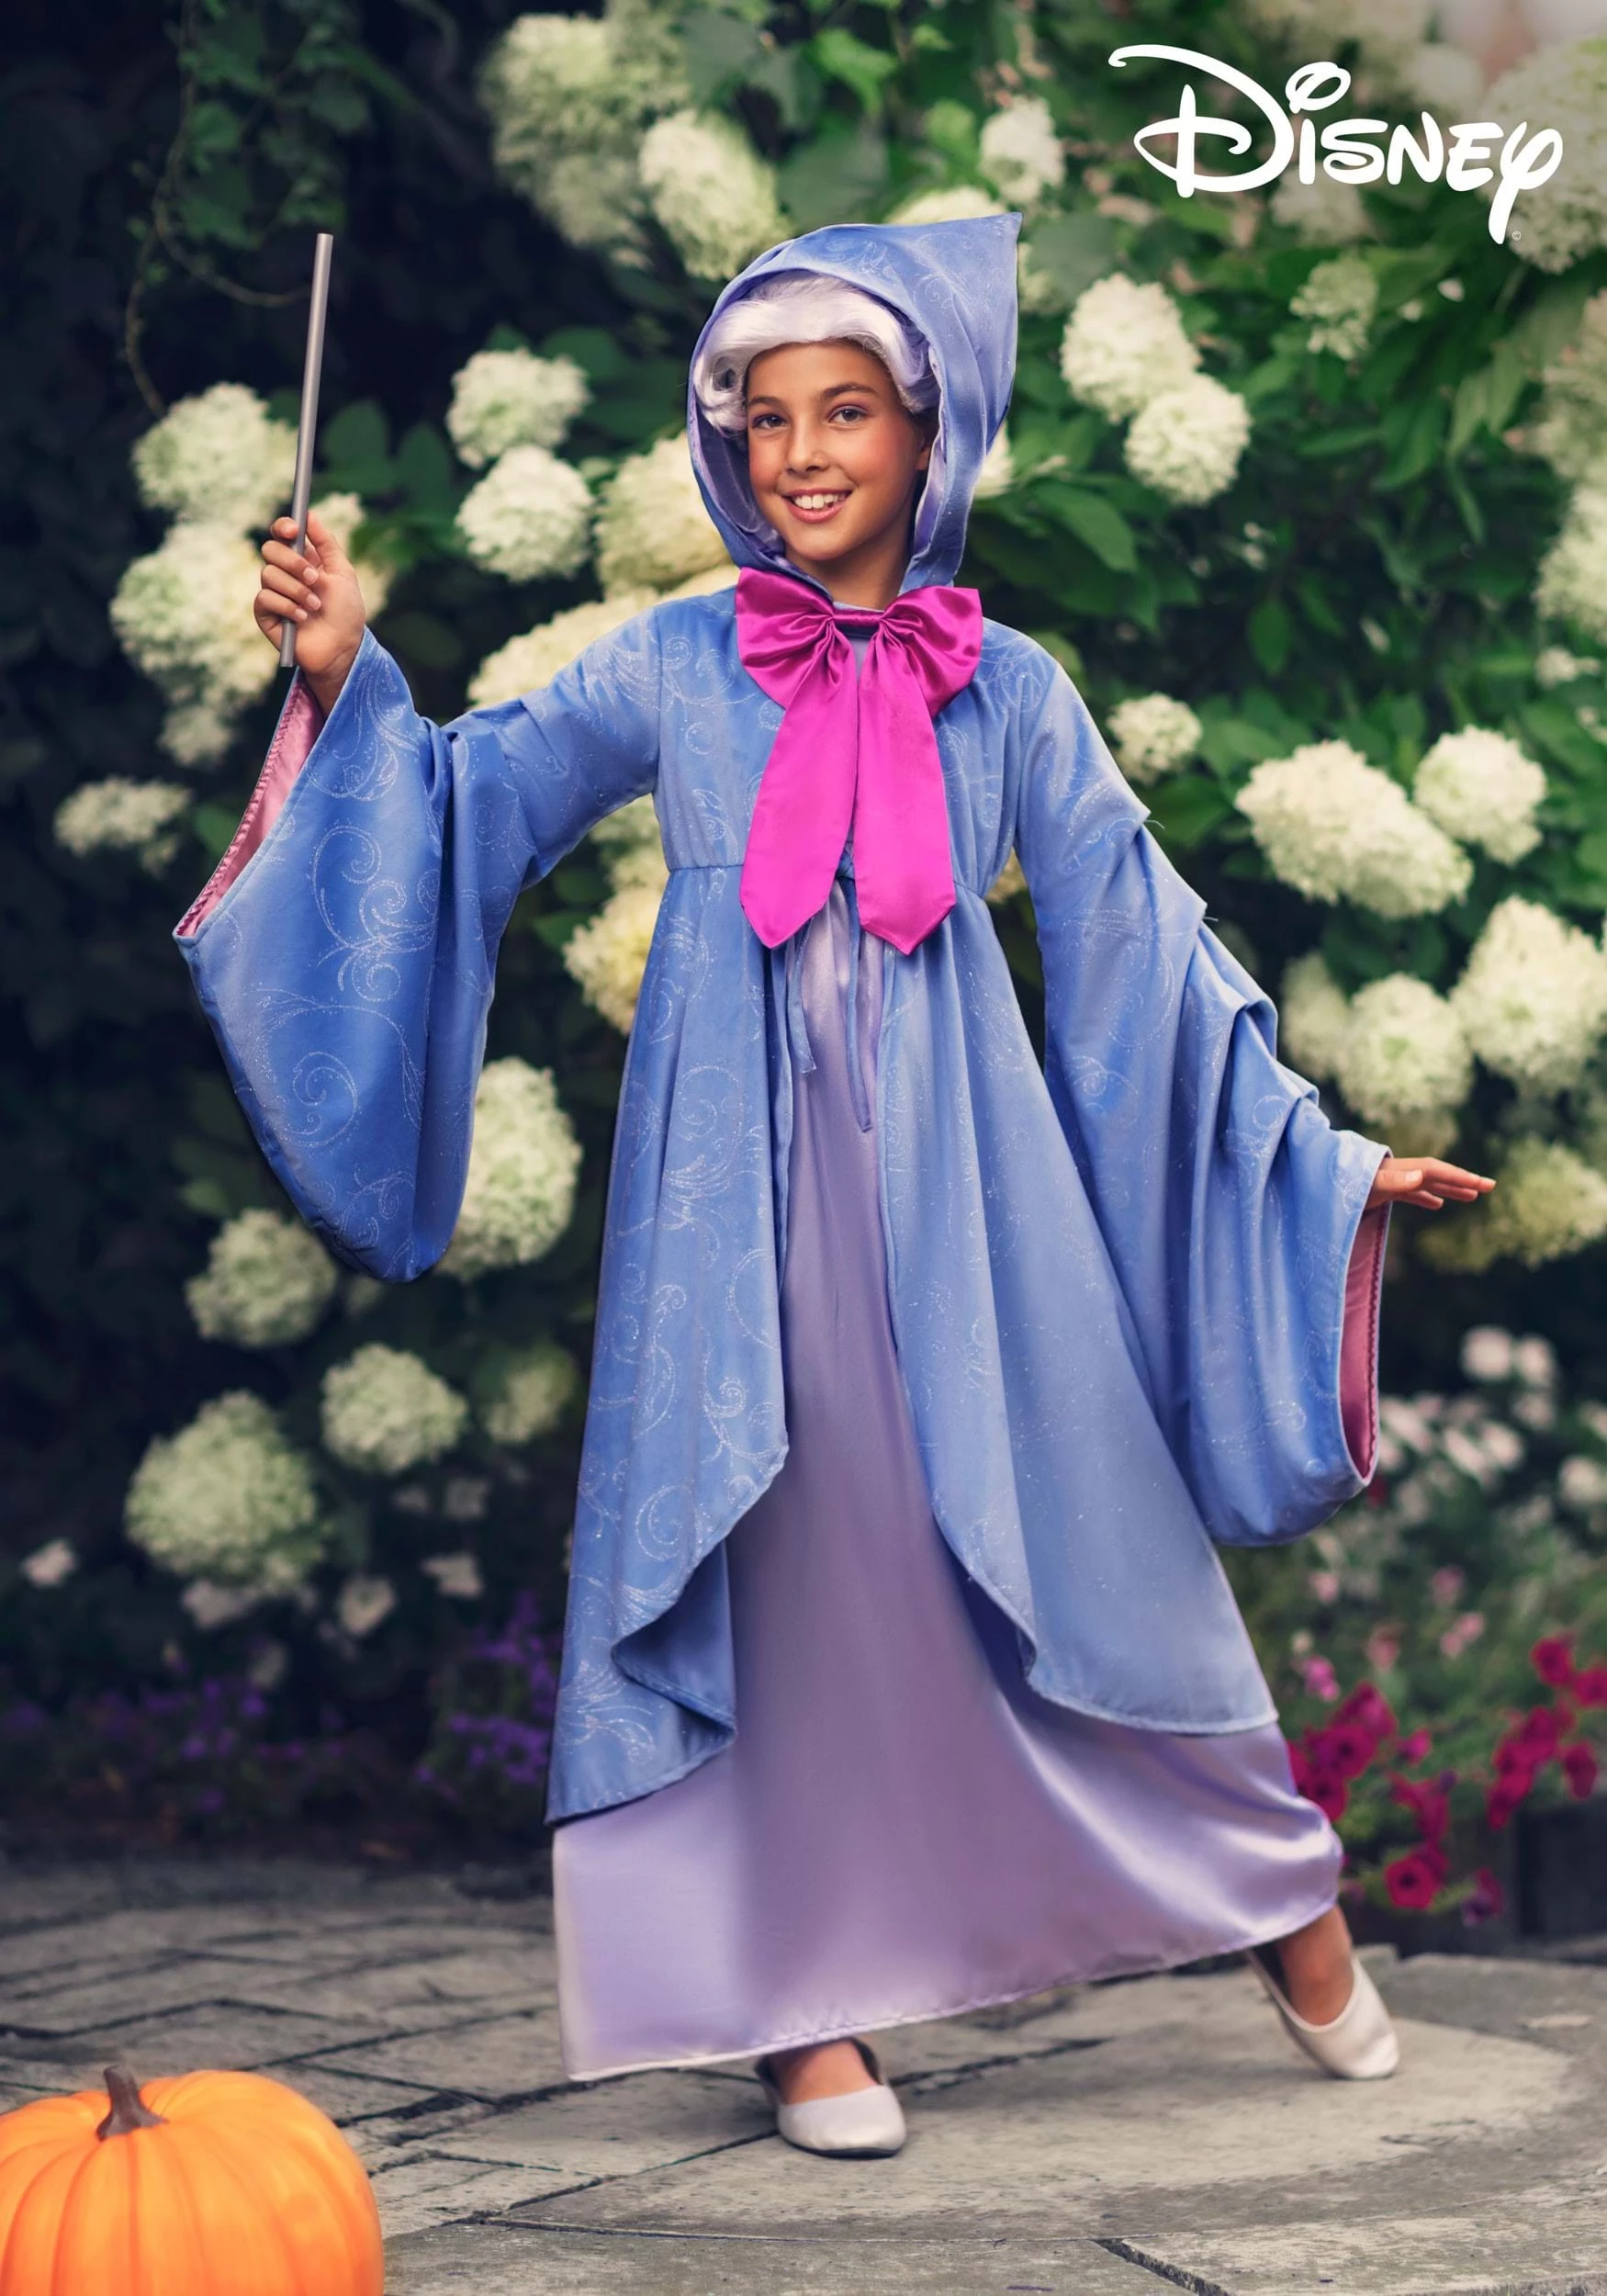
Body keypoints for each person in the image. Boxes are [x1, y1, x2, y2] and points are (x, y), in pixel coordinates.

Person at [174, 215, 1494, 2158]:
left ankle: (1275, 1892)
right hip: (734, 1205)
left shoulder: (1008, 689)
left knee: (1086, 1534)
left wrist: (1324, 1153)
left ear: (926, 432)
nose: (799, 452)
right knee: (774, 1568)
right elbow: (466, 800)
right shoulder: (676, 660)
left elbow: (1141, 945)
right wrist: (340, 663)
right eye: (767, 417)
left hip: (972, 1203)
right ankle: (801, 2011)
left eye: (846, 411)